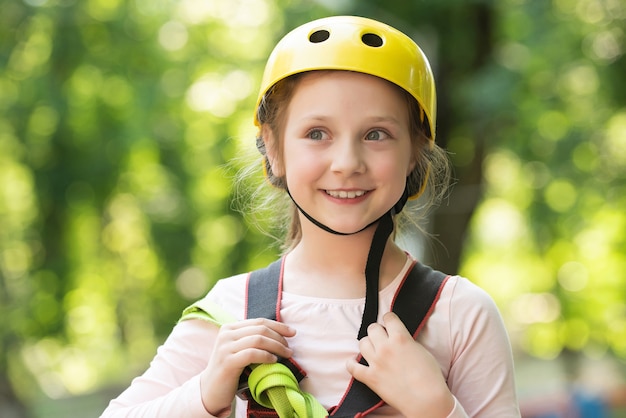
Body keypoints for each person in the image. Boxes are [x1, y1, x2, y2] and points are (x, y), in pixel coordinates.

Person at [101, 15, 520, 418]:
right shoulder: (232, 313)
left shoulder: (460, 314)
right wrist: (207, 391)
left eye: (376, 134)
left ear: (414, 153)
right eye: (317, 133)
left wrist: (437, 409)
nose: (346, 162)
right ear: (274, 149)